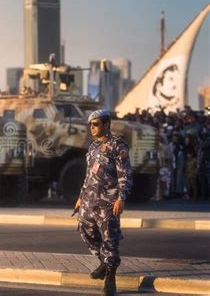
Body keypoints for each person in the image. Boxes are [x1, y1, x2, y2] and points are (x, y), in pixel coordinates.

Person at [74, 109, 133, 296]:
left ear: (106, 125)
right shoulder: (92, 147)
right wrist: (81, 197)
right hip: (89, 200)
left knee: (110, 239)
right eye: (90, 124)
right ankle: (104, 262)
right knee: (85, 229)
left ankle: (110, 277)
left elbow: (125, 175)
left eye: (96, 124)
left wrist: (121, 198)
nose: (92, 127)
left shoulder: (117, 145)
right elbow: (88, 175)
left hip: (108, 201)